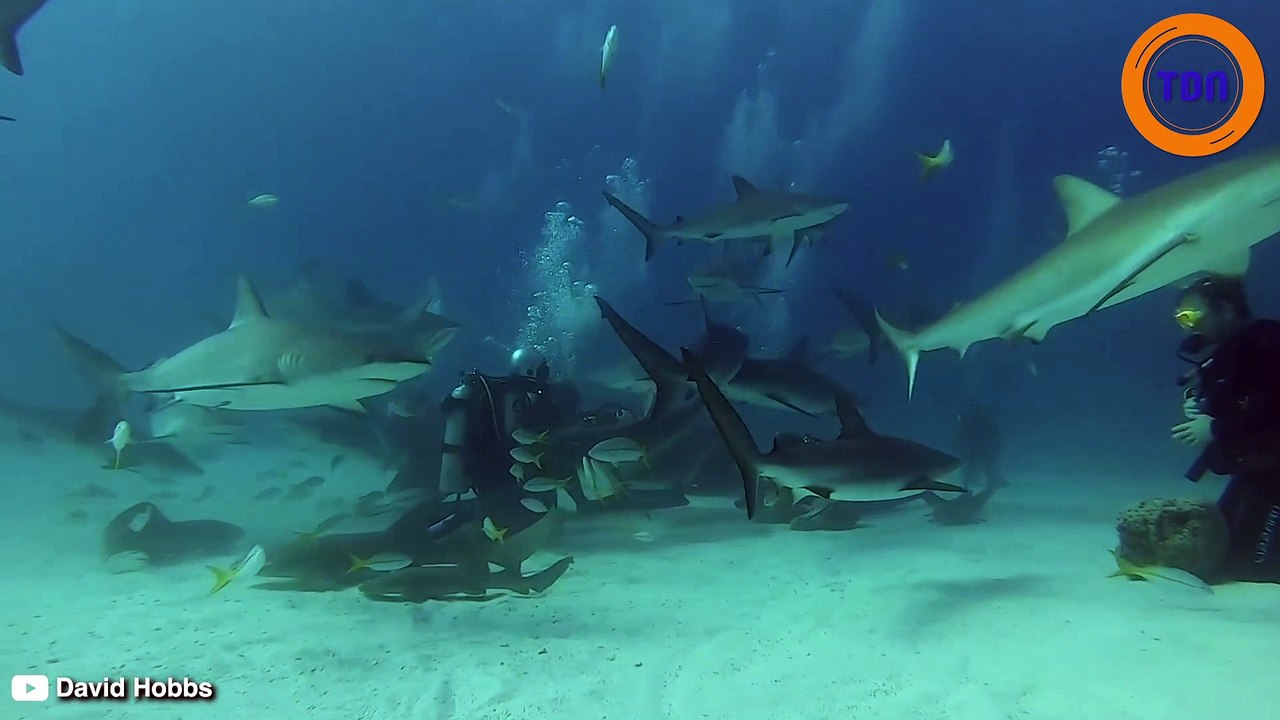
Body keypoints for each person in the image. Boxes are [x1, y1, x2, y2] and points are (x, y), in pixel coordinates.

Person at [1171, 274, 1280, 581]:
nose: (1190, 326)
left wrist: (1216, 428)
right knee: (1225, 554)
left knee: (1254, 568)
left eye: (1193, 315)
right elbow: (1229, 397)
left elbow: (1271, 402)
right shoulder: (1233, 350)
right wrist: (1196, 404)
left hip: (1273, 474)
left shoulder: (1268, 343)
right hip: (1258, 472)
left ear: (1227, 310)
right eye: (1181, 319)